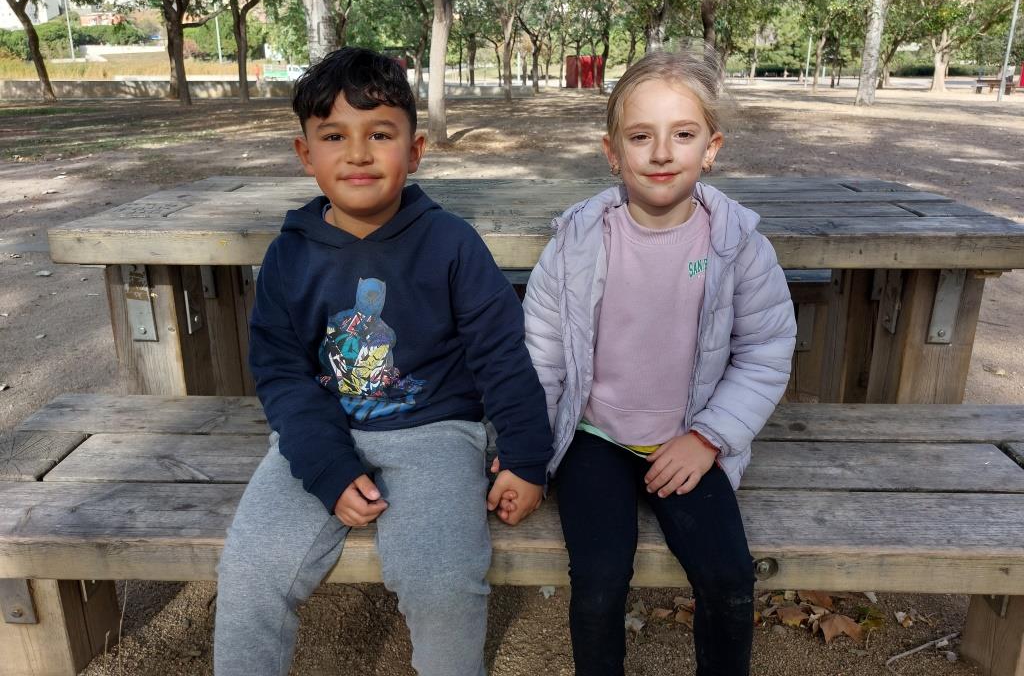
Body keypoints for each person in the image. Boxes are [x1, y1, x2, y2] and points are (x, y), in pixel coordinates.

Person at [215, 46, 553, 676]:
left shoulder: (453, 244)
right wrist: (326, 467)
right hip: (318, 433)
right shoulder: (289, 257)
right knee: (250, 571)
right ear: (305, 154)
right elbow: (283, 375)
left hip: (436, 435)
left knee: (444, 583)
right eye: (334, 136)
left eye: (380, 134)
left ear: (415, 150)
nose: (358, 154)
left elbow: (503, 355)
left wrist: (527, 459)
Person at [522, 47, 797, 676]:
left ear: (712, 147)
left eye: (683, 134)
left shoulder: (737, 246)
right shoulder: (576, 243)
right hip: (594, 437)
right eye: (641, 136)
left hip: (688, 438)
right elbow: (542, 355)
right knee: (598, 583)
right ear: (613, 151)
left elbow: (765, 351)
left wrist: (710, 437)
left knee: (729, 580)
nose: (662, 152)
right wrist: (526, 452)